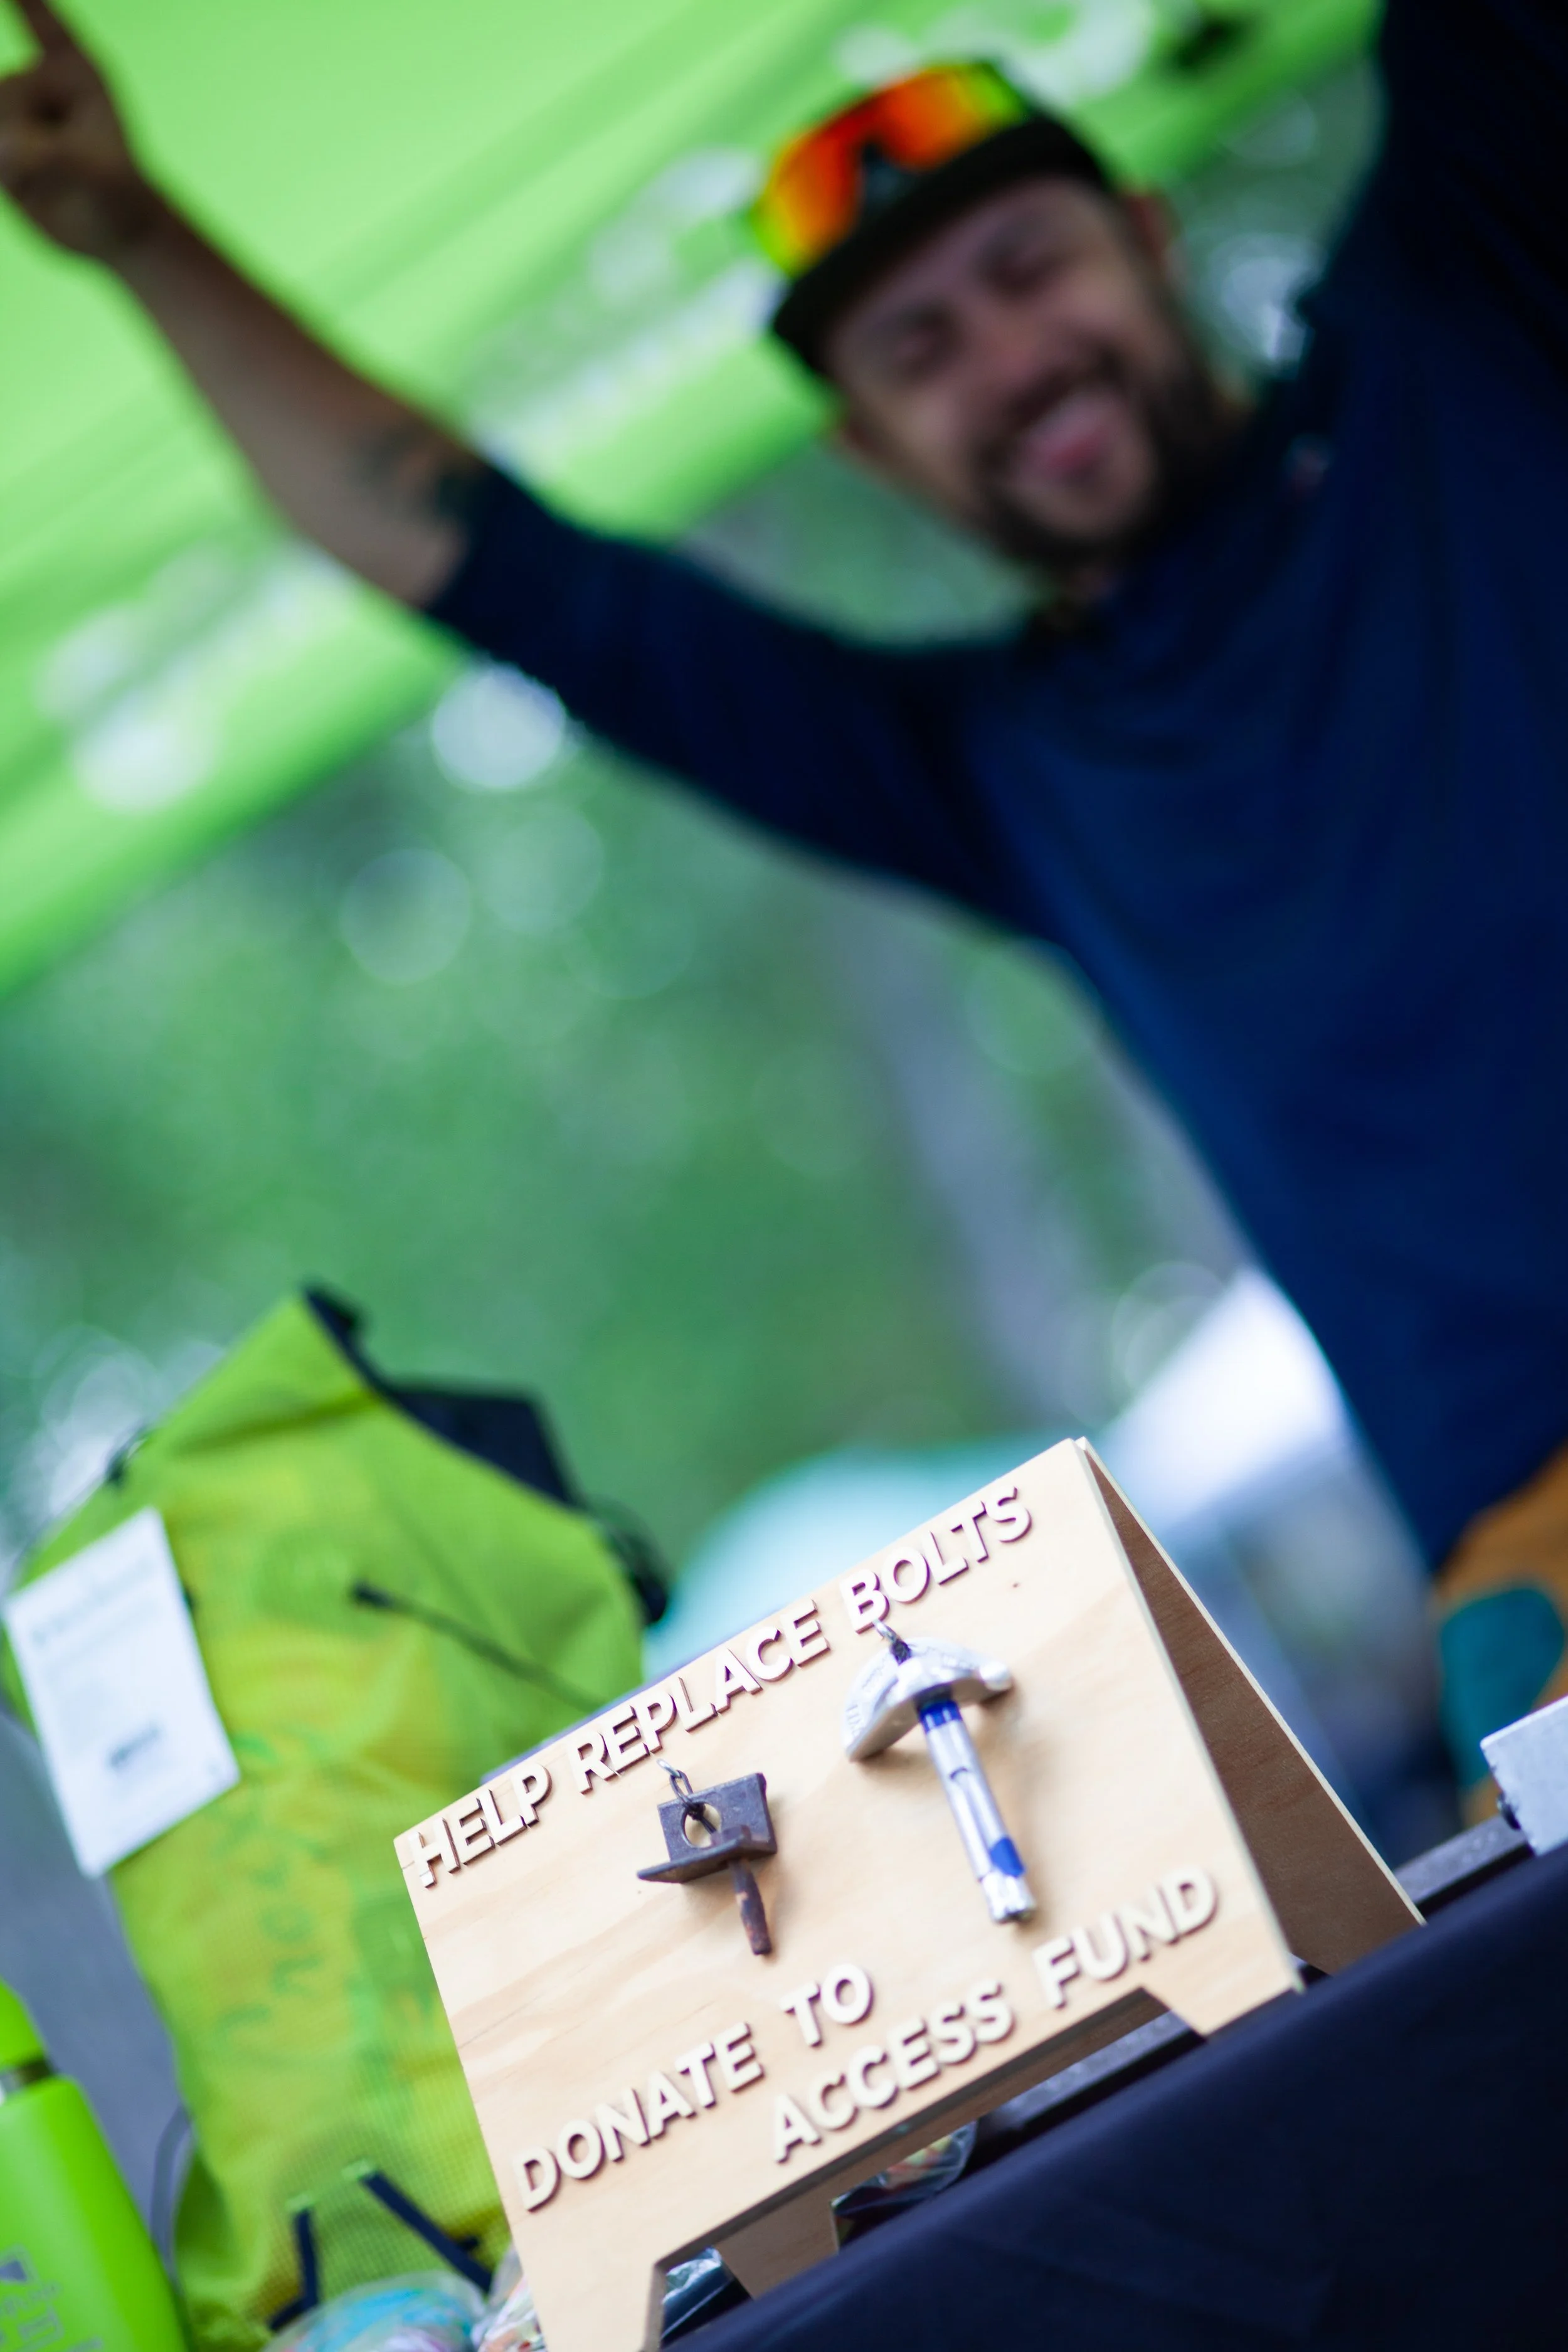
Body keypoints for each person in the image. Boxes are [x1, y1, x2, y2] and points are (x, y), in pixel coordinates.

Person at [2, 1, 1565, 1808]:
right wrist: (138, 236)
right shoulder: (989, 764)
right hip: (1530, 1556)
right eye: (918, 347)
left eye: (1028, 263)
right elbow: (492, 568)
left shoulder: (1453, 327)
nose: (1006, 354)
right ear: (866, 451)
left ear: (1145, 236)